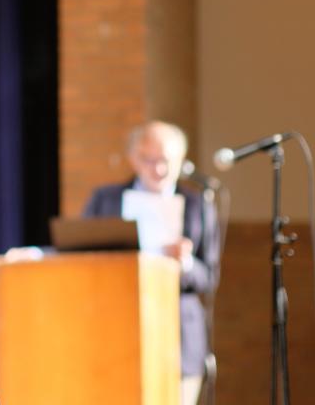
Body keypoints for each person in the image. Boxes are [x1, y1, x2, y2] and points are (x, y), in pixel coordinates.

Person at [84, 121, 219, 405]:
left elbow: (209, 275)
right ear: (133, 158)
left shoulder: (199, 205)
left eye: (166, 161)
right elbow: (82, 256)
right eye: (149, 159)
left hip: (179, 336)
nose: (158, 169)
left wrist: (185, 263)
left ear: (181, 160)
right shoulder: (105, 200)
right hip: (118, 327)